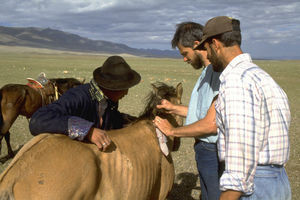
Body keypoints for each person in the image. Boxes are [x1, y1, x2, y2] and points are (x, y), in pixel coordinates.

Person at [194, 16, 291, 200]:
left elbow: (239, 169)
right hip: (278, 181)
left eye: (206, 49)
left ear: (215, 44)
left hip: (254, 185)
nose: (206, 56)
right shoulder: (262, 77)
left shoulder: (236, 84)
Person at [153, 22, 222, 200]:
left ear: (197, 44)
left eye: (185, 53)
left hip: (213, 149)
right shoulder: (207, 72)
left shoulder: (218, 73)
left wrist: (172, 131)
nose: (184, 59)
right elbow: (202, 113)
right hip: (205, 149)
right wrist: (173, 107)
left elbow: (211, 123)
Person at [29, 55, 141, 151]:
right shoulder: (78, 96)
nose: (126, 92)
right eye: (123, 88)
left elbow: (114, 118)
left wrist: (139, 122)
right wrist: (87, 130)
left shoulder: (109, 101)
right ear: (111, 87)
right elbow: (38, 120)